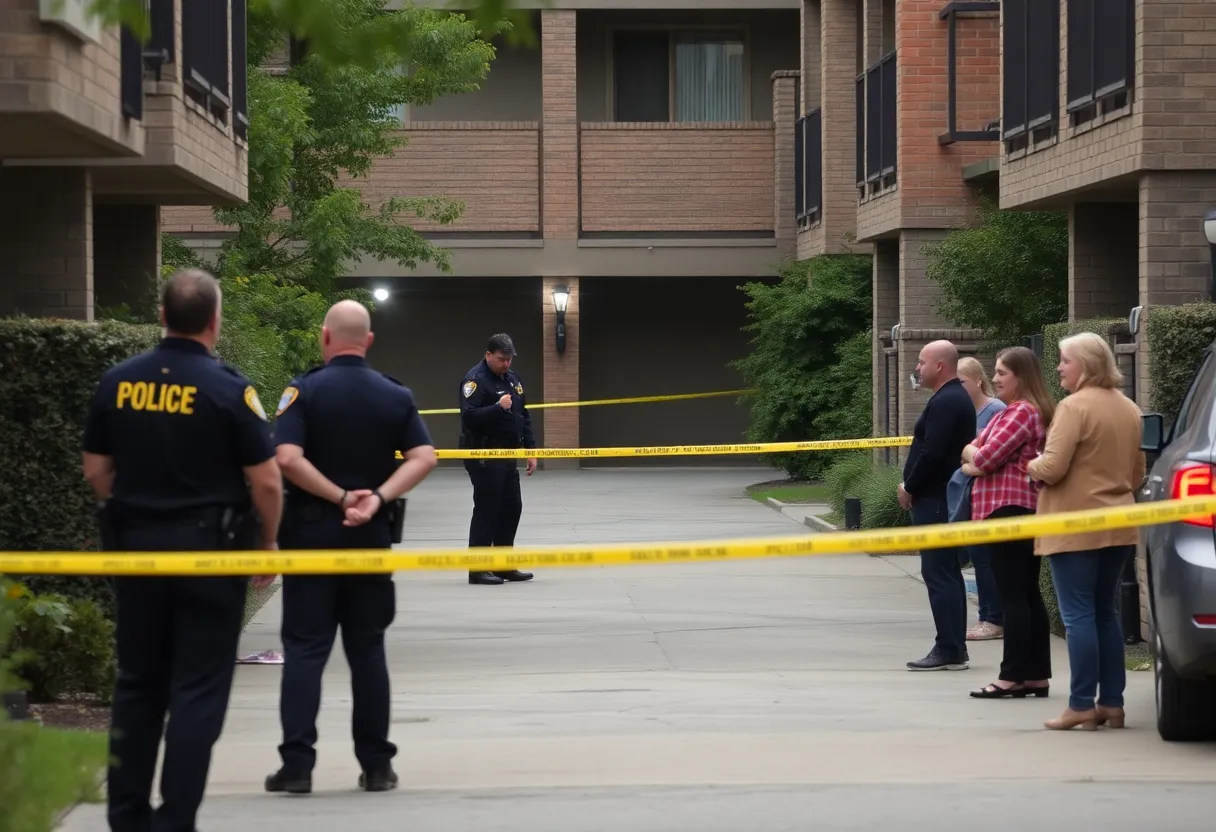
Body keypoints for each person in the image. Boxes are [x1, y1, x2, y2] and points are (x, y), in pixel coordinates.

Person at [81, 268, 283, 832]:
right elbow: (266, 482)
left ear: (162, 317)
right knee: (197, 690)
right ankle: (175, 821)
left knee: (138, 684)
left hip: (137, 554)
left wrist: (134, 510)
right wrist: (266, 544)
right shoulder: (229, 389)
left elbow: (97, 469)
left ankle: (126, 817)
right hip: (210, 557)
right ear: (214, 322)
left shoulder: (118, 381)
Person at [264, 300, 437, 794]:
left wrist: (338, 496)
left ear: (324, 337)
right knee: (368, 651)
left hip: (311, 541)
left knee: (304, 653)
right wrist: (376, 498)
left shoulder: (304, 392)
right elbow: (425, 455)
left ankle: (297, 767)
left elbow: (286, 456)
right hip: (370, 540)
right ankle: (377, 766)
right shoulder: (393, 395)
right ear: (369, 340)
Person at [1028, 332, 1145, 731]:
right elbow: (1136, 474)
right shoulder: (1129, 408)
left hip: (1074, 524)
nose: (1058, 367)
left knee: (1077, 615)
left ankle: (1080, 705)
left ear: (1087, 365)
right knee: (1105, 613)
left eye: (1064, 360)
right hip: (1118, 522)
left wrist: (1032, 464)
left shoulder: (1073, 407)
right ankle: (1111, 703)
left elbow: (1052, 468)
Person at [960, 347, 1054, 700]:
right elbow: (976, 450)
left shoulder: (1019, 413)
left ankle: (1011, 676)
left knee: (1013, 596)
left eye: (1002, 373)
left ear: (1021, 376)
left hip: (1007, 510)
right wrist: (976, 457)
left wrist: (975, 459)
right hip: (1020, 508)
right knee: (1027, 593)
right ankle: (1035, 676)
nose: (995, 379)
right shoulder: (1023, 412)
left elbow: (982, 455)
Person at [899, 340, 977, 671]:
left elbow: (933, 453)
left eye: (921, 362)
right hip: (939, 497)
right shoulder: (951, 398)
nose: (917, 368)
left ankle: (948, 648)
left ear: (939, 366)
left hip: (935, 498)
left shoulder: (947, 402)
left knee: (939, 573)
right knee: (945, 572)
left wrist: (910, 487)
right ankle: (953, 646)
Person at [459, 333, 539, 585]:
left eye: (510, 359)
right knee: (487, 508)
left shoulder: (512, 379)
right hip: (484, 454)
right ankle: (478, 569)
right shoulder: (475, 380)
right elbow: (468, 416)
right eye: (502, 359)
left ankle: (502, 564)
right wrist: (497, 407)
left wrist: (531, 449)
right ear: (488, 355)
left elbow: (523, 415)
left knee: (511, 507)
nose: (506, 364)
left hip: (508, 454)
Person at [948, 357, 1007, 641]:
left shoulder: (995, 411)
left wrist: (968, 457)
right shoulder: (962, 411)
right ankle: (986, 615)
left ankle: (993, 619)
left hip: (989, 496)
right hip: (967, 495)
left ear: (978, 382)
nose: (958, 388)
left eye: (962, 382)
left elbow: (984, 457)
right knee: (975, 556)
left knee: (986, 559)